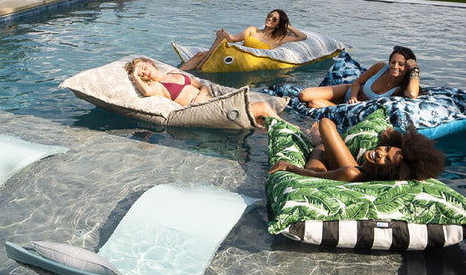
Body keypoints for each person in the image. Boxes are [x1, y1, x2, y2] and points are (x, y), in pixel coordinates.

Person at [269, 116, 445, 182]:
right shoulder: (371, 167)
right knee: (323, 142)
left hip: (320, 171)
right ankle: (315, 137)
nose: (380, 152)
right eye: (387, 148)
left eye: (387, 159)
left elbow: (315, 176)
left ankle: (313, 137)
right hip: (351, 168)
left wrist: (289, 167)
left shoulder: (353, 173)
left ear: (393, 171)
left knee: (324, 128)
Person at [125, 57, 280, 124]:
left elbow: (202, 85)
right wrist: (134, 74)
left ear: (150, 62)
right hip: (207, 110)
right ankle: (296, 131)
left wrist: (202, 94)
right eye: (141, 74)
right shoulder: (157, 87)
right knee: (263, 107)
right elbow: (145, 91)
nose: (144, 73)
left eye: (144, 68)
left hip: (212, 100)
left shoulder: (175, 74)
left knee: (261, 121)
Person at [180, 9, 307, 71]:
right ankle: (175, 74)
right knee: (200, 54)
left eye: (274, 19)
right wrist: (223, 34)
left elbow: (302, 37)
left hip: (242, 59)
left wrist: (287, 26)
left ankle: (201, 64)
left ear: (279, 24)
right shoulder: (253, 30)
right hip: (234, 54)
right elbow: (233, 40)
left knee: (201, 55)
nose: (269, 19)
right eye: (269, 16)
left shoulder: (278, 39)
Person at [298, 46, 420, 108]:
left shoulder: (402, 88)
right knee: (304, 95)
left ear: (408, 67)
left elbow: (413, 94)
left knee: (314, 104)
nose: (395, 66)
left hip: (352, 109)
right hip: (349, 92)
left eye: (401, 64)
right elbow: (357, 82)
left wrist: (414, 69)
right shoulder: (380, 67)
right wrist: (353, 97)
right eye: (393, 62)